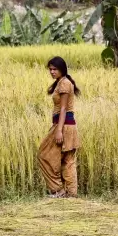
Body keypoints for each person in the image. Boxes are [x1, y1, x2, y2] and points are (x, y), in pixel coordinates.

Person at [38, 57, 81, 198]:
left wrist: (58, 130)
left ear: (62, 69)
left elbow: (63, 109)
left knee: (44, 154)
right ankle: (70, 193)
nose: (51, 71)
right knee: (68, 160)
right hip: (67, 126)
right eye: (50, 69)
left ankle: (58, 189)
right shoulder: (62, 82)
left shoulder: (64, 84)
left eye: (54, 69)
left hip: (63, 126)